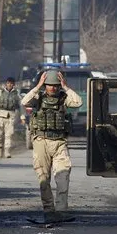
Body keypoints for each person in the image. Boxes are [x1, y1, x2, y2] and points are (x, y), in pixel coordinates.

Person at [21, 70, 82, 222]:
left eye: (55, 86)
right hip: (41, 141)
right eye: (49, 85)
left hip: (59, 142)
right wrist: (38, 86)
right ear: (45, 85)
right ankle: (49, 210)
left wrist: (66, 87)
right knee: (43, 178)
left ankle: (61, 211)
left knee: (63, 176)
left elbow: (78, 102)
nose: (53, 88)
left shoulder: (63, 99)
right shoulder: (38, 98)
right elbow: (24, 102)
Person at [0, 77, 24, 159]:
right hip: (0, 115)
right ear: (6, 84)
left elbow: (21, 106)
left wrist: (22, 116)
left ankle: (7, 151)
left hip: (11, 115)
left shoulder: (16, 94)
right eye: (8, 83)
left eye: (11, 83)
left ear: (13, 84)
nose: (9, 85)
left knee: (9, 134)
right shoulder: (0, 92)